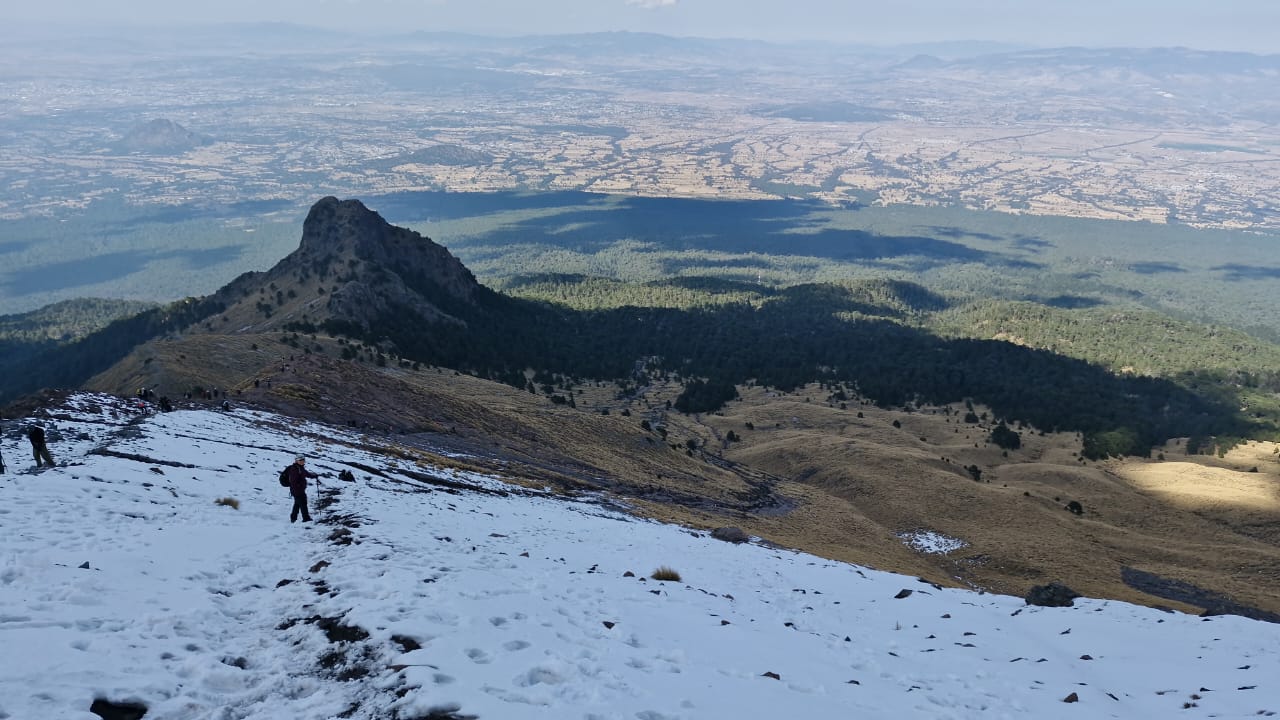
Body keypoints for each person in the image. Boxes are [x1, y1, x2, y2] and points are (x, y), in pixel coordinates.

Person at [283, 456, 320, 523]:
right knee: (303, 503)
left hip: (298, 490)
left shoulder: (300, 468)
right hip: (297, 490)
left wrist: (314, 476)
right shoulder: (294, 469)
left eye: (303, 460)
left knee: (297, 504)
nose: (302, 461)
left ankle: (293, 518)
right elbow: (293, 481)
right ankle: (306, 518)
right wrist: (299, 487)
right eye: (300, 460)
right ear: (296, 461)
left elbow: (307, 474)